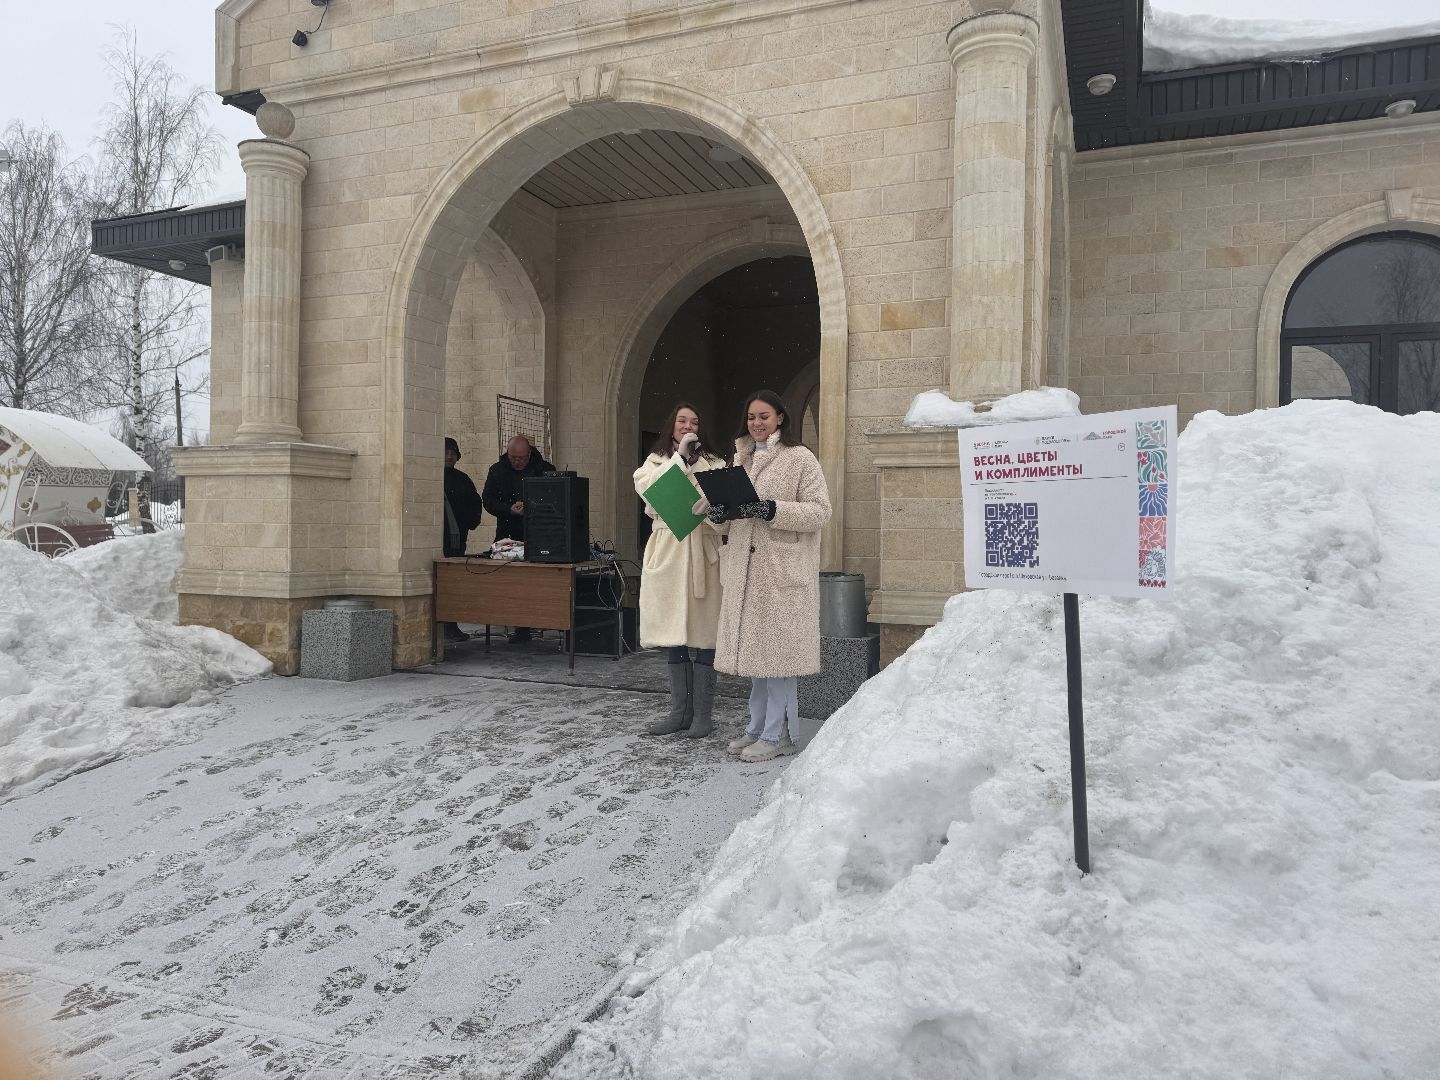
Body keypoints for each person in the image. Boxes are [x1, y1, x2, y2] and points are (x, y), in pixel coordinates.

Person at [704, 390, 830, 763]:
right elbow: (730, 518)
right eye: (751, 417)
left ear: (780, 418)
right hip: (746, 572)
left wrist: (771, 508)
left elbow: (819, 512)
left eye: (764, 416)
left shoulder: (800, 458)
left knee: (779, 660)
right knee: (759, 659)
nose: (756, 423)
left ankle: (781, 734)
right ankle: (756, 727)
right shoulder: (739, 458)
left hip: (779, 574)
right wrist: (718, 513)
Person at [633, 403, 727, 738]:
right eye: (682, 420)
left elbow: (726, 516)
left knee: (705, 635)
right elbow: (652, 494)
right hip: (670, 552)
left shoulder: (716, 464)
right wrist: (680, 461)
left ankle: (702, 715)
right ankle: (678, 712)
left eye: (695, 422)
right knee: (673, 635)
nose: (688, 426)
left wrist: (714, 514)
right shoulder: (653, 463)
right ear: (671, 427)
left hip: (703, 552)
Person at [481, 434, 554, 643]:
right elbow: (488, 500)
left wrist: (532, 507)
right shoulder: (497, 469)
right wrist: (509, 509)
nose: (517, 462)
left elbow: (555, 499)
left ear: (529, 453)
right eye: (513, 458)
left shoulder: (544, 468)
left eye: (521, 458)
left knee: (535, 582)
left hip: (538, 533)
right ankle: (519, 627)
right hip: (507, 533)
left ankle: (536, 622)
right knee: (513, 584)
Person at [442, 436, 483, 642]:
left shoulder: (462, 479)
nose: (449, 457)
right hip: (438, 542)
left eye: (452, 454)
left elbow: (475, 504)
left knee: (453, 585)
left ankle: (451, 626)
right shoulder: (430, 477)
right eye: (446, 453)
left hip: (456, 542)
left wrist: (468, 523)